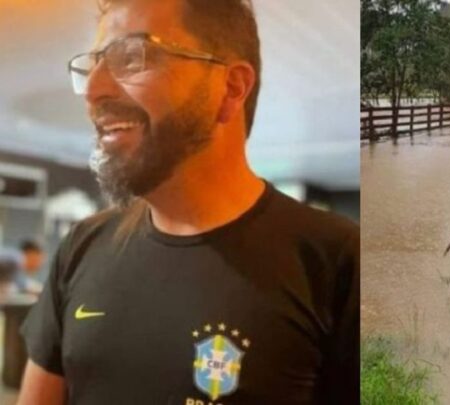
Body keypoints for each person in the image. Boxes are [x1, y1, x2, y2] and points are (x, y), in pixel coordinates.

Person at [17, 1, 359, 404]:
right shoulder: (82, 246)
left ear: (231, 88)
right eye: (90, 66)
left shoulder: (338, 262)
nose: (93, 90)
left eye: (132, 56)